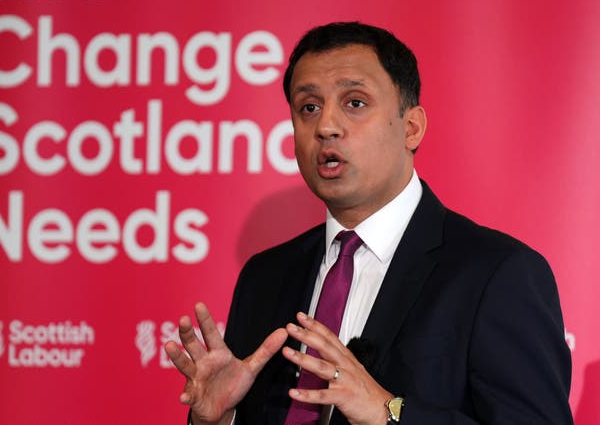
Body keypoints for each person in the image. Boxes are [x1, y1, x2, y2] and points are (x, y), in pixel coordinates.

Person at [164, 21, 573, 425]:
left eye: (354, 103)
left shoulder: (497, 274)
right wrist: (222, 420)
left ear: (411, 127)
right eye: (309, 107)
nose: (325, 127)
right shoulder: (265, 277)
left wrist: (388, 412)